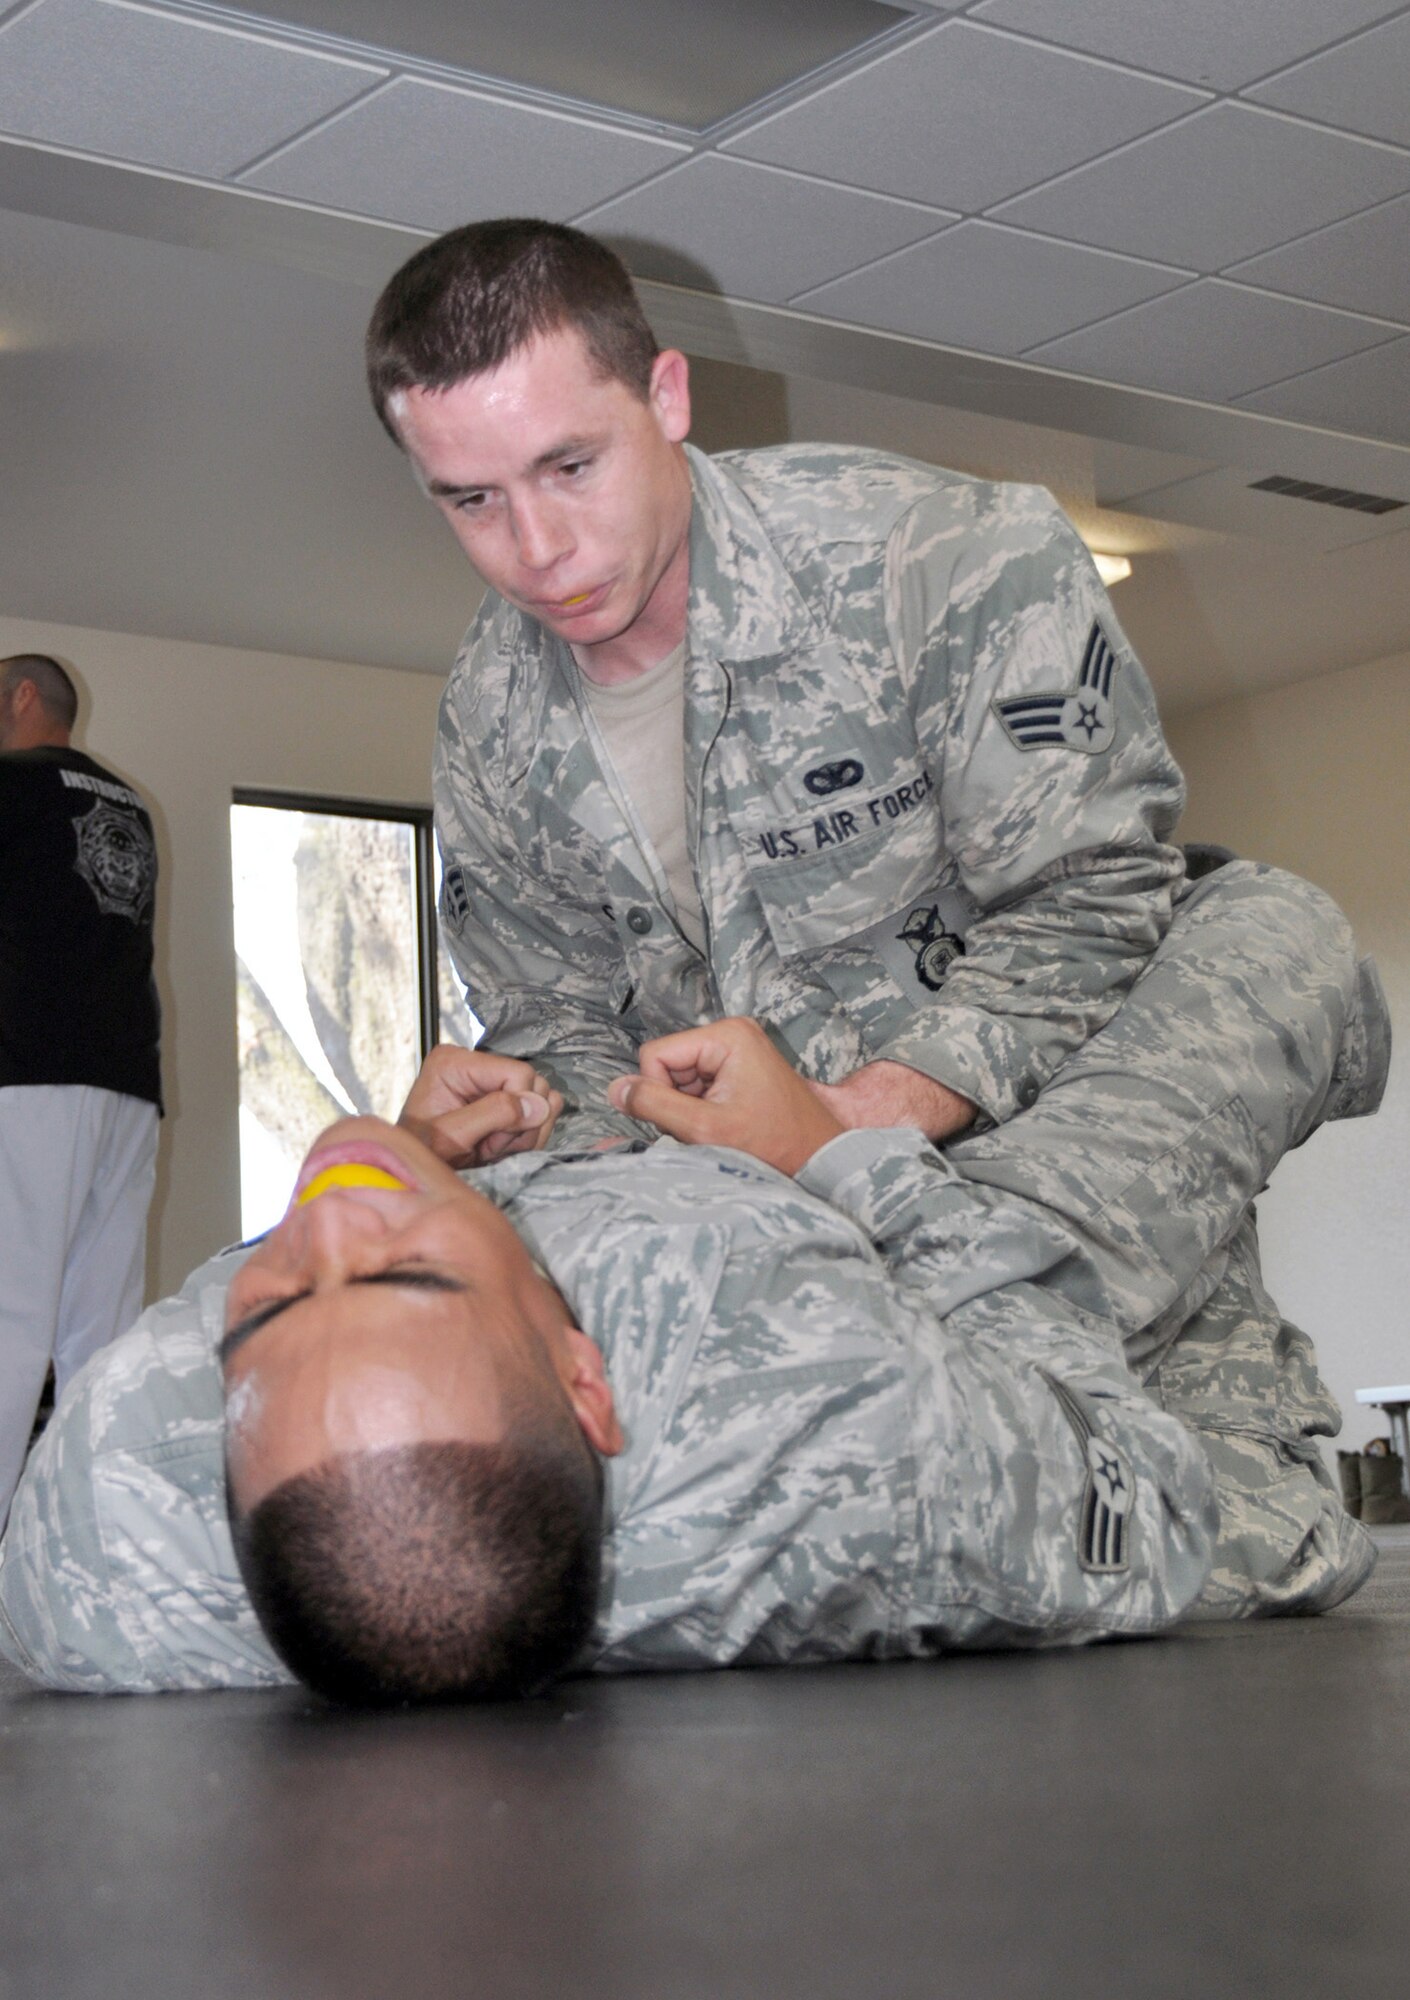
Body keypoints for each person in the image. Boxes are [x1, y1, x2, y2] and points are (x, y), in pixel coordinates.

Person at [363, 217, 1388, 1608]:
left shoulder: (938, 560)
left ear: (665, 399)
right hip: (785, 1248)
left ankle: (1004, 1433)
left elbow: (1091, 902)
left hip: (1049, 1195)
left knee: (1266, 932)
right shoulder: (490, 717)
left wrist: (862, 1122)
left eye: (568, 466)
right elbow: (556, 1012)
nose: (535, 549)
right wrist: (527, 1110)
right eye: (469, 500)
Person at [0, 864, 1379, 1701]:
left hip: (632, 1171)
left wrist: (416, 1158)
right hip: (923, 1256)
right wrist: (839, 1153)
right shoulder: (841, 1451)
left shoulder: (98, 1548)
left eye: (275, 1306)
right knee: (1265, 930)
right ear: (583, 1374)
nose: (327, 1223)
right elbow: (1134, 1475)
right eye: (410, 1272)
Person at [0, 654, 162, 1529]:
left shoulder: (10, 784)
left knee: (8, 1314)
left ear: (23, 696)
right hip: (129, 1086)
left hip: (31, 1076)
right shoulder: (130, 804)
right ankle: (93, 1539)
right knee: (101, 1331)